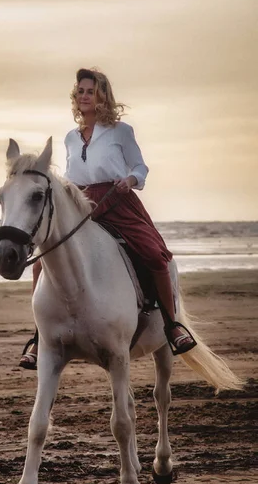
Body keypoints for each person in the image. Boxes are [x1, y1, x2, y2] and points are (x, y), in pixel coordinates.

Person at [19, 67, 196, 370]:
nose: (83, 96)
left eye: (90, 91)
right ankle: (39, 337)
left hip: (118, 202)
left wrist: (130, 180)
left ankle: (172, 325)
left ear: (101, 96)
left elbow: (141, 167)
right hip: (81, 204)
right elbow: (72, 177)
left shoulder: (120, 132)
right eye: (80, 91)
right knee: (42, 259)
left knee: (154, 254)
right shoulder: (71, 138)